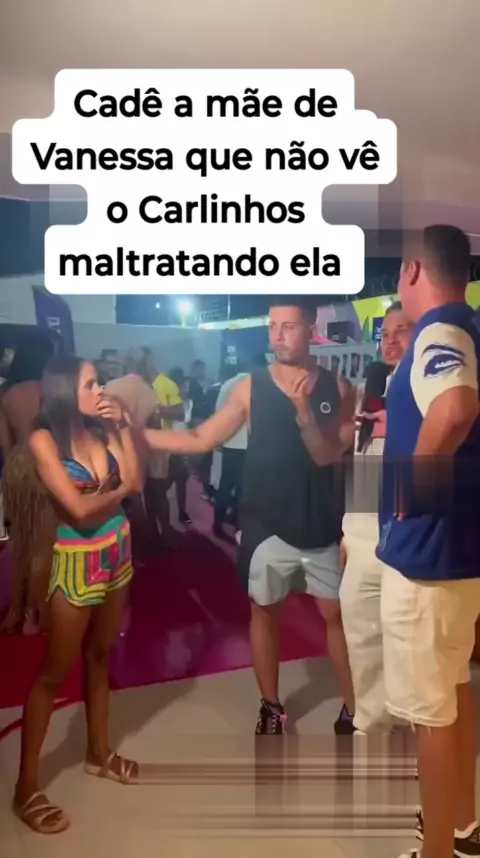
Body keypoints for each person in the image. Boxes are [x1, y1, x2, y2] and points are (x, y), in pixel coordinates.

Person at [144, 300, 357, 735]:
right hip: (265, 523)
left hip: (320, 523)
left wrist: (352, 526)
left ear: (310, 328)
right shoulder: (249, 387)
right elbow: (201, 437)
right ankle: (271, 707)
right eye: (272, 326)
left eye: (288, 326)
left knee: (337, 615)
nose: (277, 335)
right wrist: (135, 435)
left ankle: (354, 708)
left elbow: (334, 458)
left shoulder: (338, 387)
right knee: (265, 613)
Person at [377, 226, 480, 858]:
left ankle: (437, 848)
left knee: (432, 714)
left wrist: (408, 492)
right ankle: (463, 827)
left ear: (414, 269)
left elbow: (455, 408)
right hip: (455, 554)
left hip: (426, 561)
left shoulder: (439, 331)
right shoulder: (466, 328)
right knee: (453, 692)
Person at [14, 355, 143, 834]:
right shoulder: (43, 439)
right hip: (77, 561)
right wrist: (119, 491)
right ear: (66, 389)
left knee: (101, 655)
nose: (101, 390)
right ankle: (25, 788)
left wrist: (123, 427)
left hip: (118, 551)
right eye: (91, 384)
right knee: (54, 672)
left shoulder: (103, 429)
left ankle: (97, 753)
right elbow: (78, 510)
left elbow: (137, 480)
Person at [339, 302, 412, 732]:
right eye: (385, 333)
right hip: (363, 538)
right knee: (362, 641)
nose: (391, 341)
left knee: (408, 646)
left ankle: (417, 733)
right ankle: (369, 725)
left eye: (402, 331)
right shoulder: (370, 386)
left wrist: (397, 425)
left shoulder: (428, 391)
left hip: (408, 541)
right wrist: (348, 531)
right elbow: (360, 462)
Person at [0, 334, 57, 633]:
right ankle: (34, 614)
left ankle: (16, 610)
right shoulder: (47, 390)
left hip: (14, 467)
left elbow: (5, 443)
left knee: (22, 544)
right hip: (42, 463)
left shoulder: (5, 392)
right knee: (43, 545)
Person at [105, 353, 170, 544]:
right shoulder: (149, 391)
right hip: (144, 447)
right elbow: (155, 424)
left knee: (127, 497)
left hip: (117, 448)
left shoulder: (111, 386)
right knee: (152, 494)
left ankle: (131, 540)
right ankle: (158, 533)